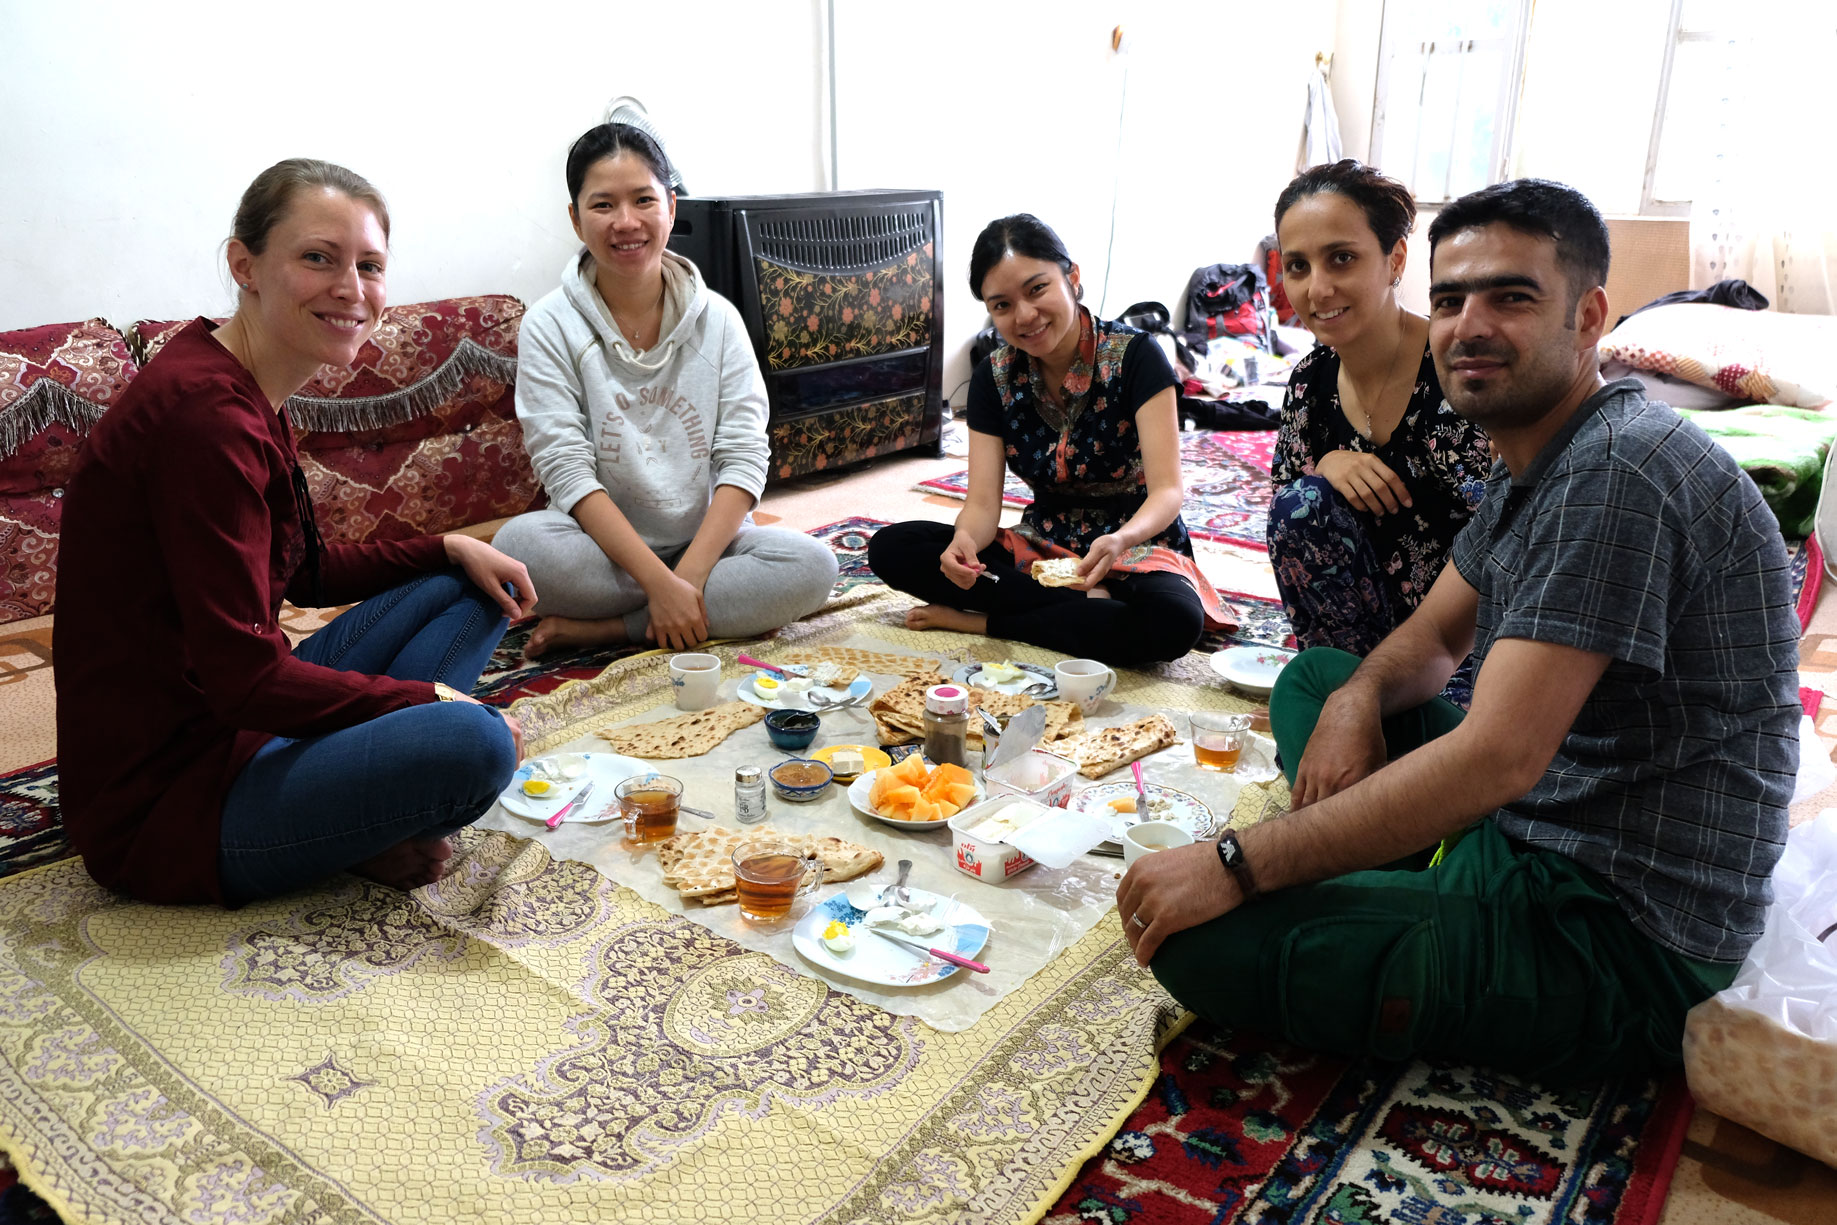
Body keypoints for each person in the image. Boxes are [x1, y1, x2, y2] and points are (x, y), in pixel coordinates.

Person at [1116, 179, 1799, 1082]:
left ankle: (1411, 886)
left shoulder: (1617, 471)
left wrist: (1240, 861)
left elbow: (1494, 759)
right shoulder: (1538, 459)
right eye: (1449, 299)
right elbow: (1436, 639)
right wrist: (1361, 696)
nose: (1469, 325)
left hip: (1615, 925)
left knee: (1197, 945)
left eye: (1511, 297)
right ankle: (1409, 869)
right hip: (1541, 815)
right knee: (1319, 679)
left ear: (1587, 315)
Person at [55, 159, 536, 907]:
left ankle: (352, 816)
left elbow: (300, 568)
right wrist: (434, 702)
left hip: (238, 730)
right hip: (170, 803)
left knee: (471, 586)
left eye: (369, 265)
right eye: (319, 257)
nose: (351, 288)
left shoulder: (242, 378)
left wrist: (448, 545)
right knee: (477, 746)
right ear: (244, 264)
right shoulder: (203, 419)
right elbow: (245, 679)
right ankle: (352, 825)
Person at [493, 123, 837, 658]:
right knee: (519, 547)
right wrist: (658, 583)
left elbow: (745, 455)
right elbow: (565, 467)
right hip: (602, 554)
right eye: (603, 205)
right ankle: (675, 606)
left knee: (814, 565)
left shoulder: (719, 320)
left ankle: (613, 628)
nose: (626, 222)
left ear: (671, 208)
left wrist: (688, 575)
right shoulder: (548, 324)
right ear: (576, 219)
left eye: (643, 200)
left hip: (710, 545)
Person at [867, 214, 1226, 665]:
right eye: (1001, 305)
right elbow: (981, 505)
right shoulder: (992, 377)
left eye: (1037, 289)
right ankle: (1090, 610)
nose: (1024, 316)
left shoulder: (1137, 357)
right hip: (1041, 547)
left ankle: (987, 621)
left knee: (1172, 622)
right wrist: (963, 542)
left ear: (1072, 278)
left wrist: (1119, 540)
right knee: (893, 548)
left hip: (1136, 546)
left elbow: (1168, 492)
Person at [1268, 161, 1492, 668]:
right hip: (1365, 639)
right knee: (1302, 503)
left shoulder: (1462, 370)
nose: (1316, 289)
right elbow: (1290, 524)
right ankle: (1349, 690)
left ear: (1395, 260)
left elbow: (1519, 535)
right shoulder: (1309, 383)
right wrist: (1325, 465)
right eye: (1298, 266)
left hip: (1470, 642)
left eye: (1341, 258)